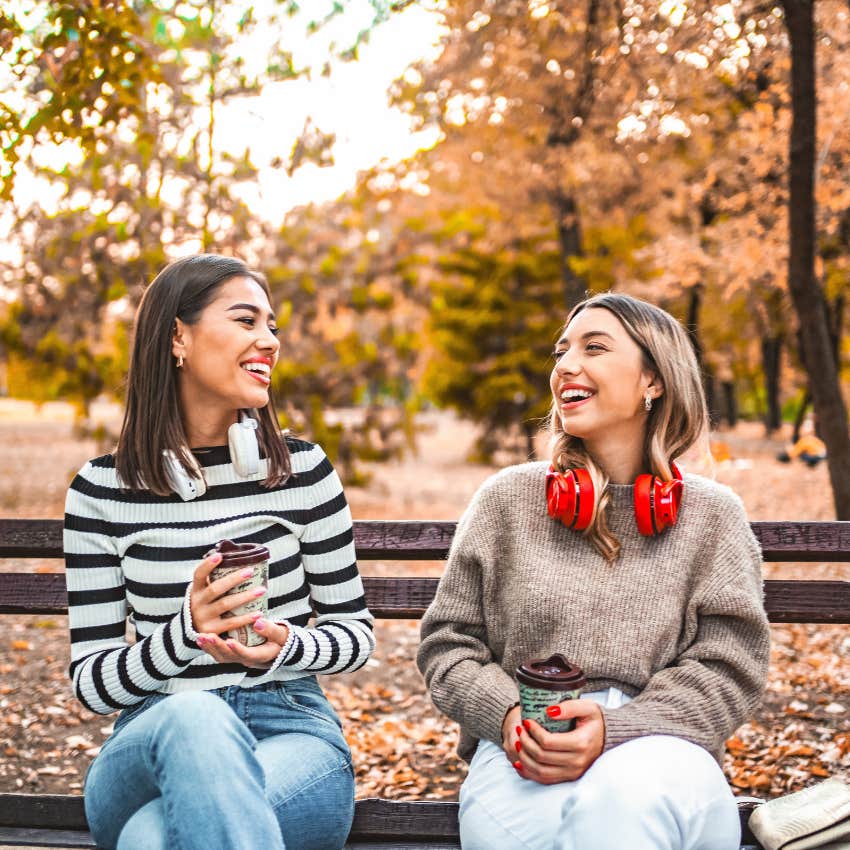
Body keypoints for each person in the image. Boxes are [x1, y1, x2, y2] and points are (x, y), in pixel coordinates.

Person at [417, 293, 770, 850]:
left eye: (595, 347)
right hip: (525, 748)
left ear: (653, 382)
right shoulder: (506, 501)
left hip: (664, 746)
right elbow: (449, 645)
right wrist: (507, 713)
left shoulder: (714, 516)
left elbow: (731, 669)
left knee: (621, 804)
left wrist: (616, 729)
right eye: (561, 351)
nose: (565, 365)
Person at [64, 254, 375, 850]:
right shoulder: (100, 493)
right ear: (177, 336)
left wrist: (290, 645)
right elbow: (92, 683)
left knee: (151, 840)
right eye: (246, 320)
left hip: (290, 726)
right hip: (151, 738)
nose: (269, 341)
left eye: (272, 326)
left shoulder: (303, 473)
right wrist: (186, 632)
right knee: (196, 716)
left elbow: (355, 635)